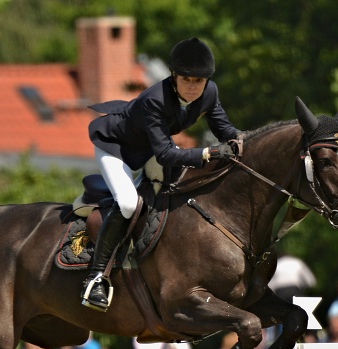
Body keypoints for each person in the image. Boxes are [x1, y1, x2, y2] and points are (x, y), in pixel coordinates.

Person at [84, 38, 241, 311]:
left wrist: (246, 142)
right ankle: (96, 278)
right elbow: (167, 154)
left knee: (181, 187)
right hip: (117, 148)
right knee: (128, 203)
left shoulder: (210, 93)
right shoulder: (155, 99)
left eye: (199, 81)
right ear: (174, 77)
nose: (193, 87)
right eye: (187, 80)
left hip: (151, 148)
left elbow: (225, 129)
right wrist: (208, 154)